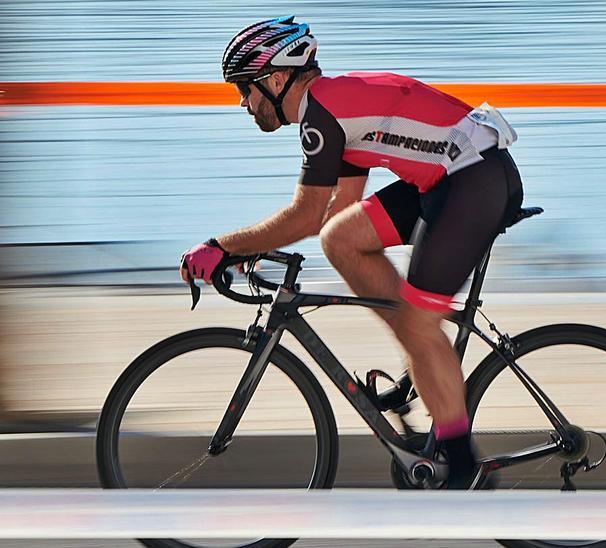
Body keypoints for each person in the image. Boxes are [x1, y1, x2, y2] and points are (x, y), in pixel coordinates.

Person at [179, 16, 522, 489]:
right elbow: (333, 215)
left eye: (245, 88)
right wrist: (246, 252)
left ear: (276, 79)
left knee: (420, 324)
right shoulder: (329, 108)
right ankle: (419, 355)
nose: (243, 102)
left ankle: (463, 466)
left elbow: (303, 213)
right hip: (448, 179)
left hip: (474, 180)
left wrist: (223, 246)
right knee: (341, 239)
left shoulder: (321, 114)